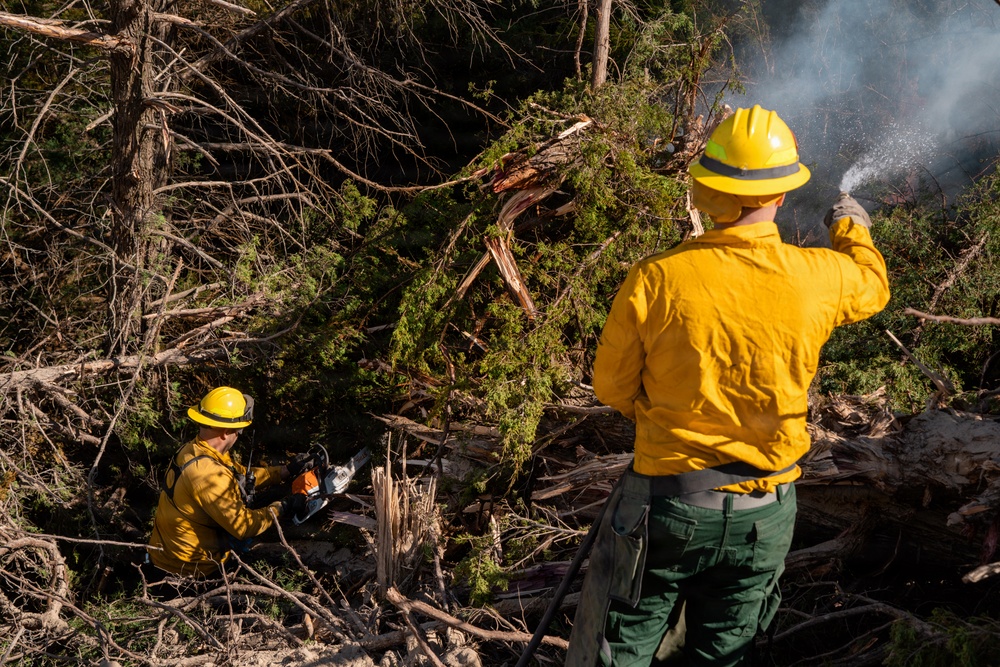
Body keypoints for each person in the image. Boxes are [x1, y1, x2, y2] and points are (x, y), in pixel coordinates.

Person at [566, 105, 890, 666]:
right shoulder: (818, 278)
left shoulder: (657, 278)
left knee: (618, 652)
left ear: (707, 192)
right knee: (725, 656)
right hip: (765, 515)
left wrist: (663, 414)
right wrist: (851, 226)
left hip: (664, 508)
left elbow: (612, 388)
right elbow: (873, 285)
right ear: (783, 195)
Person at [146, 386, 317, 579]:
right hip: (190, 573)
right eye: (239, 430)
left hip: (166, 557)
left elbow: (240, 475)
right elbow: (242, 526)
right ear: (226, 432)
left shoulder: (195, 450)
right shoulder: (207, 474)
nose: (239, 434)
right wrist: (283, 507)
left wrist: (285, 471)